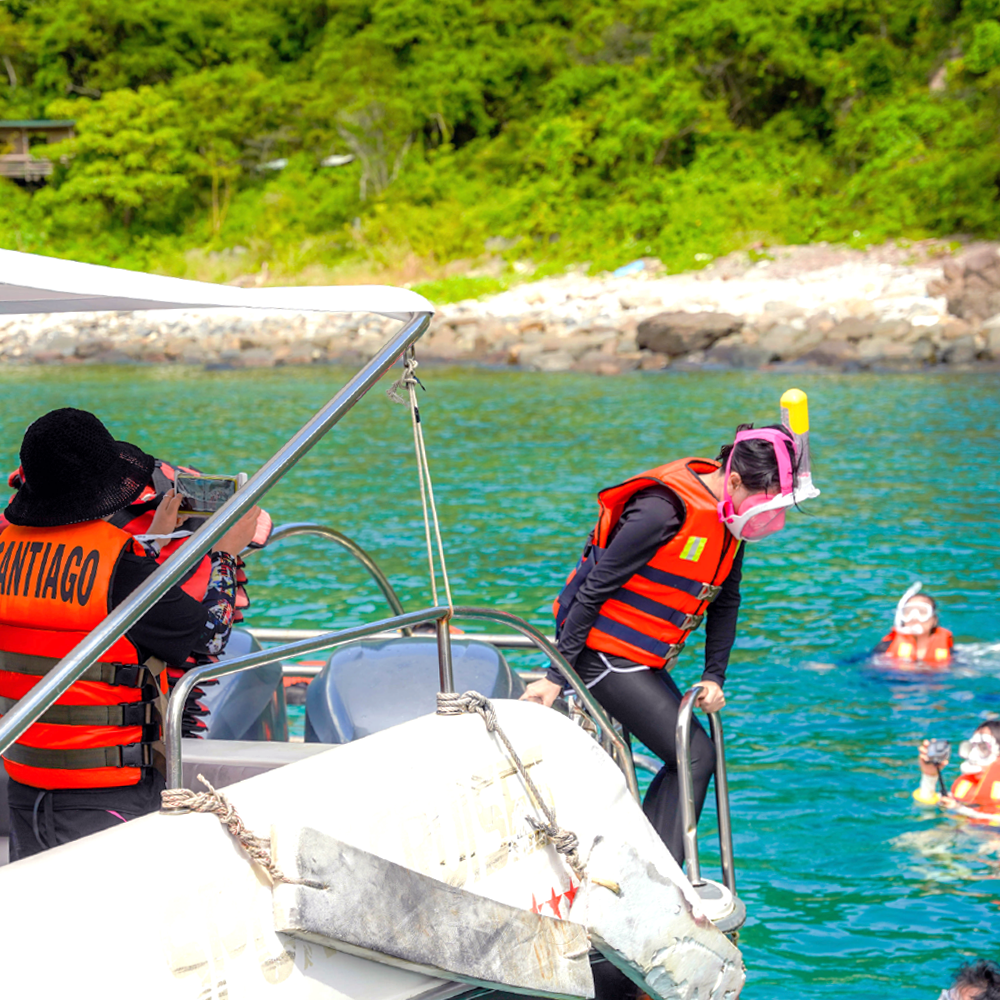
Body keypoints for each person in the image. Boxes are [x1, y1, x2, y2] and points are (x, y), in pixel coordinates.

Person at [522, 406, 817, 865]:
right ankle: (652, 878)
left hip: (642, 657)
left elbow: (726, 600)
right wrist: (556, 675)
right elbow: (593, 587)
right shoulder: (663, 510)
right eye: (762, 503)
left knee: (694, 753)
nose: (763, 520)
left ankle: (641, 868)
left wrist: (713, 675)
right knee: (695, 755)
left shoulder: (729, 519)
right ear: (734, 480)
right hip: (601, 652)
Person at [0, 408, 260, 860]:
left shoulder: (6, 549)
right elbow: (206, 639)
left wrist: (155, 543)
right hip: (107, 794)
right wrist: (223, 554)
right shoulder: (118, 565)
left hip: (25, 784)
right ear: (105, 485)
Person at [915, 720, 1000, 821]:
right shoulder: (969, 786)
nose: (972, 756)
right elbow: (925, 805)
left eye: (983, 748)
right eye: (972, 747)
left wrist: (959, 809)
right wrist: (929, 775)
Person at [875, 581, 953, 666]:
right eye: (908, 612)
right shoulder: (885, 648)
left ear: (934, 620)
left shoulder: (949, 651)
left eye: (922, 612)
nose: (914, 618)